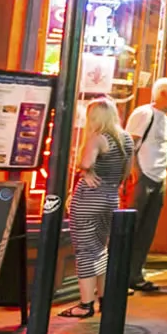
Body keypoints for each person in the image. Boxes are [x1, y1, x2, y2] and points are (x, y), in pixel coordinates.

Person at [60, 99, 136, 318]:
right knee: (101, 249)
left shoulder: (97, 138)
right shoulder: (126, 139)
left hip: (88, 200)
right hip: (111, 198)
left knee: (85, 252)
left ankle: (85, 305)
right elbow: (127, 170)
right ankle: (104, 298)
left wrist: (86, 171)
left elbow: (85, 163)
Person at [124, 77, 167, 294]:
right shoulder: (144, 113)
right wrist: (134, 172)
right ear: (163, 93)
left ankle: (135, 273)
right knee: (132, 226)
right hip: (143, 177)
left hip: (158, 177)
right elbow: (130, 143)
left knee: (147, 229)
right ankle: (121, 274)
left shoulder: (165, 119)